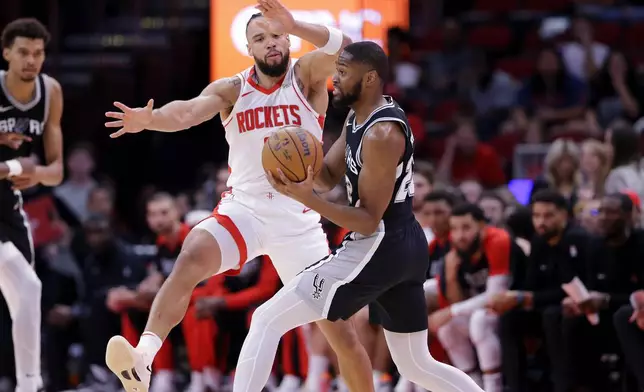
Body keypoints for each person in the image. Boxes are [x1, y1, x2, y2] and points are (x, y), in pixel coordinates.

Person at [103, 2, 376, 392]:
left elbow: (349, 50)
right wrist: (151, 119)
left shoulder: (307, 76)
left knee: (341, 333)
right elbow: (187, 112)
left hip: (297, 221)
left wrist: (295, 23)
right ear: (248, 48)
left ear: (287, 39)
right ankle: (143, 359)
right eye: (260, 39)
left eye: (277, 36)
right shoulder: (233, 89)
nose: (271, 44)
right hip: (244, 210)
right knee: (193, 252)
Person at [233, 41, 484, 392]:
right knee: (415, 363)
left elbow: (368, 219)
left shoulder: (383, 133)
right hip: (396, 246)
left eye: (343, 72)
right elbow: (326, 176)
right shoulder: (358, 116)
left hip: (381, 243)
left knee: (266, 319)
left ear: (369, 79)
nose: (334, 79)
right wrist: (296, 151)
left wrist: (307, 198)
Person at [0, 18, 64, 392]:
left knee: (24, 297)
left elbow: (56, 171)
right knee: (27, 284)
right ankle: (30, 385)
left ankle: (27, 382)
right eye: (23, 52)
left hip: (10, 205)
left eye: (38, 53)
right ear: (6, 52)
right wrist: (13, 166)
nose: (31, 60)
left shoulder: (50, 91)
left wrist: (35, 173)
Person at [429, 204, 512, 392]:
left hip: (511, 305)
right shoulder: (453, 248)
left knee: (479, 321)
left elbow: (495, 296)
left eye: (466, 228)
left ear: (481, 226)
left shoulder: (498, 240)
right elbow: (456, 301)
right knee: (447, 328)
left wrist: (450, 312)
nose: (460, 235)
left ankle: (493, 387)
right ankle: (472, 386)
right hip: (481, 307)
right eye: (455, 229)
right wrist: (450, 276)